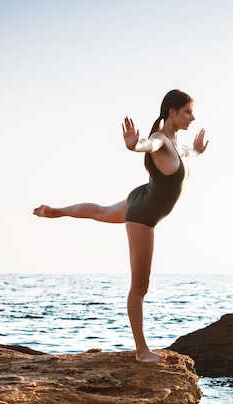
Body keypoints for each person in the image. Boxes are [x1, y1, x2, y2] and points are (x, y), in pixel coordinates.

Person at [33, 89, 208, 363]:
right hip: (143, 215)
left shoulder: (174, 142)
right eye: (187, 111)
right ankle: (142, 351)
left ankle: (56, 211)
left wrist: (197, 150)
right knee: (140, 287)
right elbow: (146, 145)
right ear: (172, 112)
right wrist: (133, 145)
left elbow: (188, 151)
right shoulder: (160, 139)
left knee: (101, 212)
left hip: (142, 197)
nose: (192, 117)